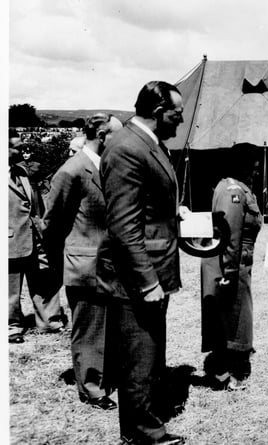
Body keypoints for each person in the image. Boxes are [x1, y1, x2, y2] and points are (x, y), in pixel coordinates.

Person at [96, 81, 186, 445]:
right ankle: (140, 431)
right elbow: (123, 226)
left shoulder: (147, 144)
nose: (181, 120)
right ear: (158, 111)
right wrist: (148, 280)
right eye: (176, 113)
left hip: (153, 268)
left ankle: (146, 414)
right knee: (139, 354)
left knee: (148, 351)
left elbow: (146, 207)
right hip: (135, 276)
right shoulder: (127, 149)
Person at [43, 113, 123, 410]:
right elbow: (52, 224)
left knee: (108, 326)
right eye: (117, 135)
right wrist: (63, 262)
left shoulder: (108, 167)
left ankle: (106, 376)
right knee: (89, 329)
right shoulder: (72, 171)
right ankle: (91, 388)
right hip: (85, 265)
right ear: (102, 135)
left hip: (110, 264)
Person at [201, 146, 262, 391]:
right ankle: (231, 369)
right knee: (235, 316)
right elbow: (231, 235)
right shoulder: (233, 190)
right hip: (233, 261)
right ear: (241, 165)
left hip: (238, 260)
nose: (256, 171)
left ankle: (227, 363)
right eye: (253, 166)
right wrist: (229, 272)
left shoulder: (237, 186)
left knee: (233, 315)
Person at [9, 129, 65, 344]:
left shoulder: (23, 172)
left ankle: (50, 321)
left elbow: (35, 204)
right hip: (10, 239)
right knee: (10, 287)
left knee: (45, 278)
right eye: (16, 146)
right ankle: (10, 326)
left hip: (35, 235)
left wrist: (42, 226)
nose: (22, 150)